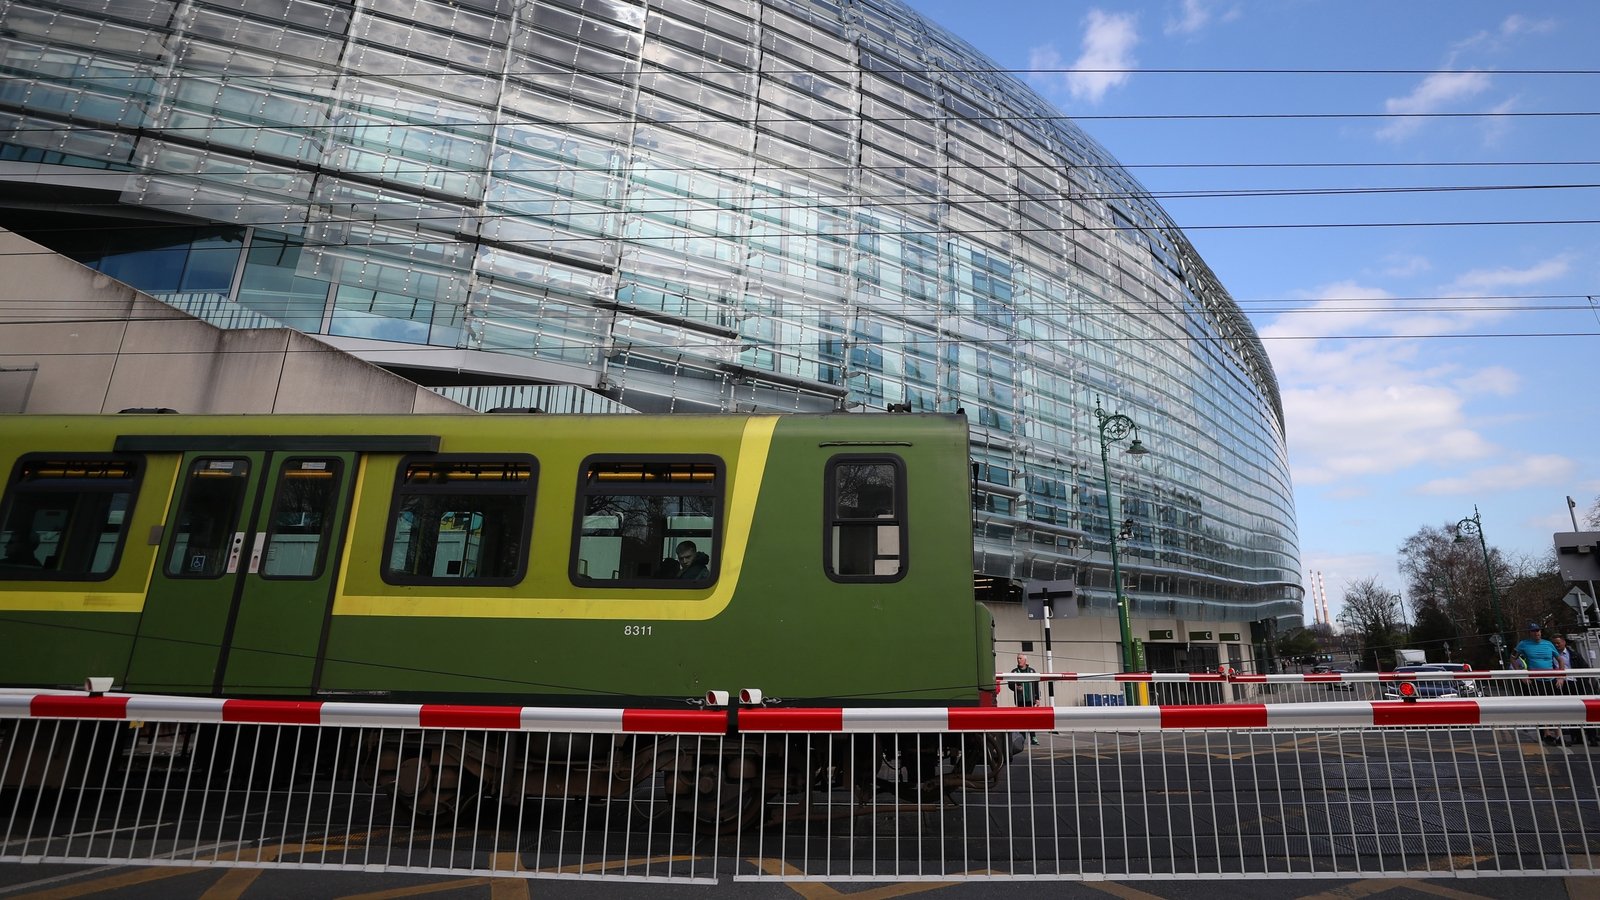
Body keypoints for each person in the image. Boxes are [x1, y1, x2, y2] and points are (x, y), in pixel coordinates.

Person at [1514, 622, 1562, 745]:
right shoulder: (1523, 644)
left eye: (1539, 631)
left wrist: (1561, 676)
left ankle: (1558, 734)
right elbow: (1513, 658)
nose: (1537, 633)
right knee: (1541, 707)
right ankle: (1547, 733)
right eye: (1534, 631)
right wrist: (1521, 674)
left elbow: (1560, 660)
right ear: (1530, 633)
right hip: (1535, 680)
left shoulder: (1548, 644)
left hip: (1551, 679)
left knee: (1555, 707)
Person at [1009, 654, 1040, 746]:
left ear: (1025, 660)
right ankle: (1022, 737)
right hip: (1020, 700)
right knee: (1021, 719)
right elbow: (1010, 684)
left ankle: (1033, 737)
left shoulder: (1031, 671)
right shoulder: (1014, 672)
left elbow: (1036, 686)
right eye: (1017, 658)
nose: (1018, 660)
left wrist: (1037, 698)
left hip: (1030, 699)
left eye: (1020, 658)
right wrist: (1016, 687)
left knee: (1031, 718)